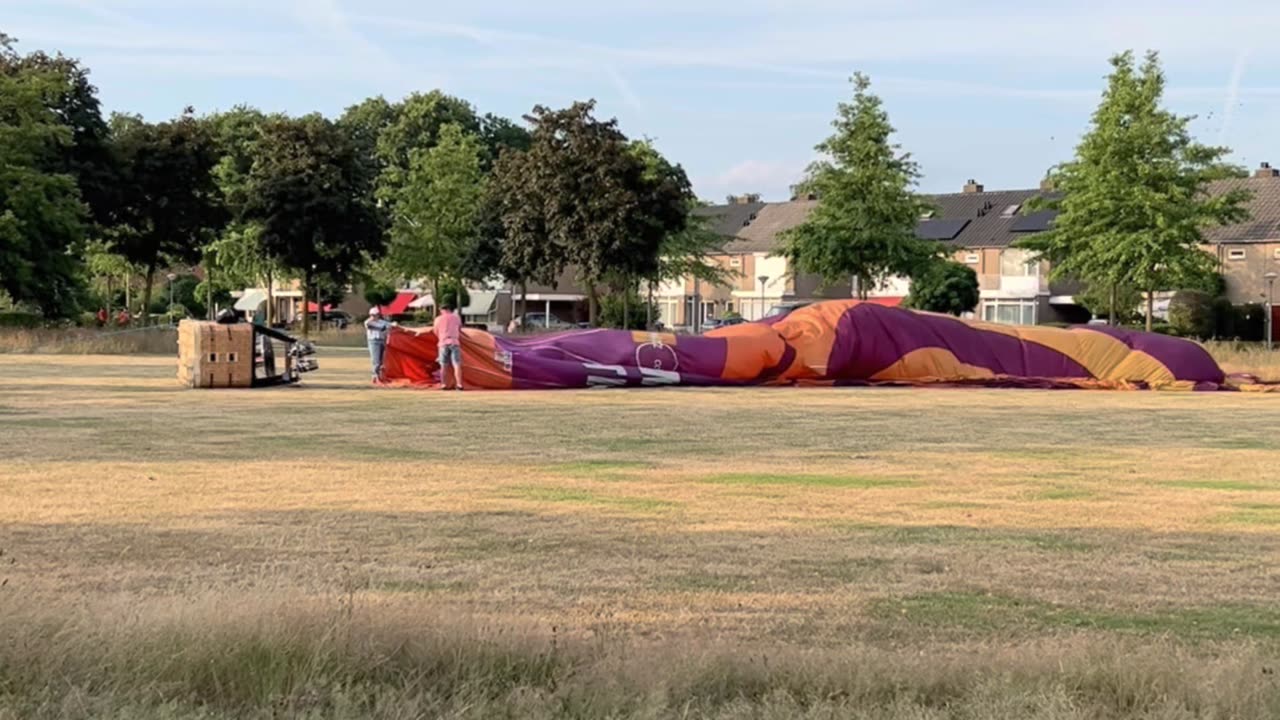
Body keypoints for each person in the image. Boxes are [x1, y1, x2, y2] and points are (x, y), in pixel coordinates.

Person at [433, 300, 464, 391]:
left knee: (443, 365)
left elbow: (435, 331)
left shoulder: (438, 319)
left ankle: (443, 384)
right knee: (456, 364)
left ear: (444, 310)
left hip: (443, 342)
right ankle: (459, 384)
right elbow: (459, 329)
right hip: (454, 342)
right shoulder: (456, 318)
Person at [364, 307, 395, 384]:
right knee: (376, 361)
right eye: (372, 315)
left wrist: (394, 324)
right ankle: (375, 377)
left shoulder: (382, 322)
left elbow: (391, 326)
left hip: (382, 341)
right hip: (373, 341)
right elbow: (374, 327)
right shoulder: (368, 322)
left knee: (381, 361)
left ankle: (380, 377)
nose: (374, 316)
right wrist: (386, 327)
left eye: (376, 315)